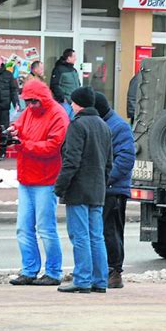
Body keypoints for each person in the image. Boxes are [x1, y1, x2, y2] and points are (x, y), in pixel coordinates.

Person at [8, 79, 69, 286]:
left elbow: (53, 147)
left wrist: (23, 144)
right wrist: (14, 131)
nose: (31, 106)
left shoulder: (57, 114)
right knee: (23, 228)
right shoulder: (29, 112)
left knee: (45, 228)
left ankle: (53, 271)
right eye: (28, 102)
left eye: (34, 101)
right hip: (27, 177)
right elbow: (20, 125)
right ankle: (29, 269)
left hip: (45, 179)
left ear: (42, 98)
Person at [54, 86, 112, 294]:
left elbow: (71, 161)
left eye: (73, 102)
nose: (70, 105)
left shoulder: (78, 126)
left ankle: (82, 279)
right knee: (96, 235)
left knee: (80, 235)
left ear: (78, 104)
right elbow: (109, 163)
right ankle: (100, 280)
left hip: (78, 189)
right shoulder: (103, 125)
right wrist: (102, 183)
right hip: (97, 189)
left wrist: (60, 186)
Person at [94, 92, 135, 288]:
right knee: (99, 230)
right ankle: (103, 269)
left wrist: (105, 180)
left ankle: (114, 271)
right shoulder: (102, 123)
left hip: (113, 189)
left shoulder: (118, 126)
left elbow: (125, 159)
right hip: (102, 186)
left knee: (111, 231)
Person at [50, 48, 80, 120]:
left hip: (75, 103)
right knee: (64, 122)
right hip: (65, 103)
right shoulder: (59, 69)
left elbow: (78, 84)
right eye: (74, 57)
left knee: (73, 123)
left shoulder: (74, 70)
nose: (75, 59)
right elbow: (54, 85)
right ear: (68, 58)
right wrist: (62, 99)